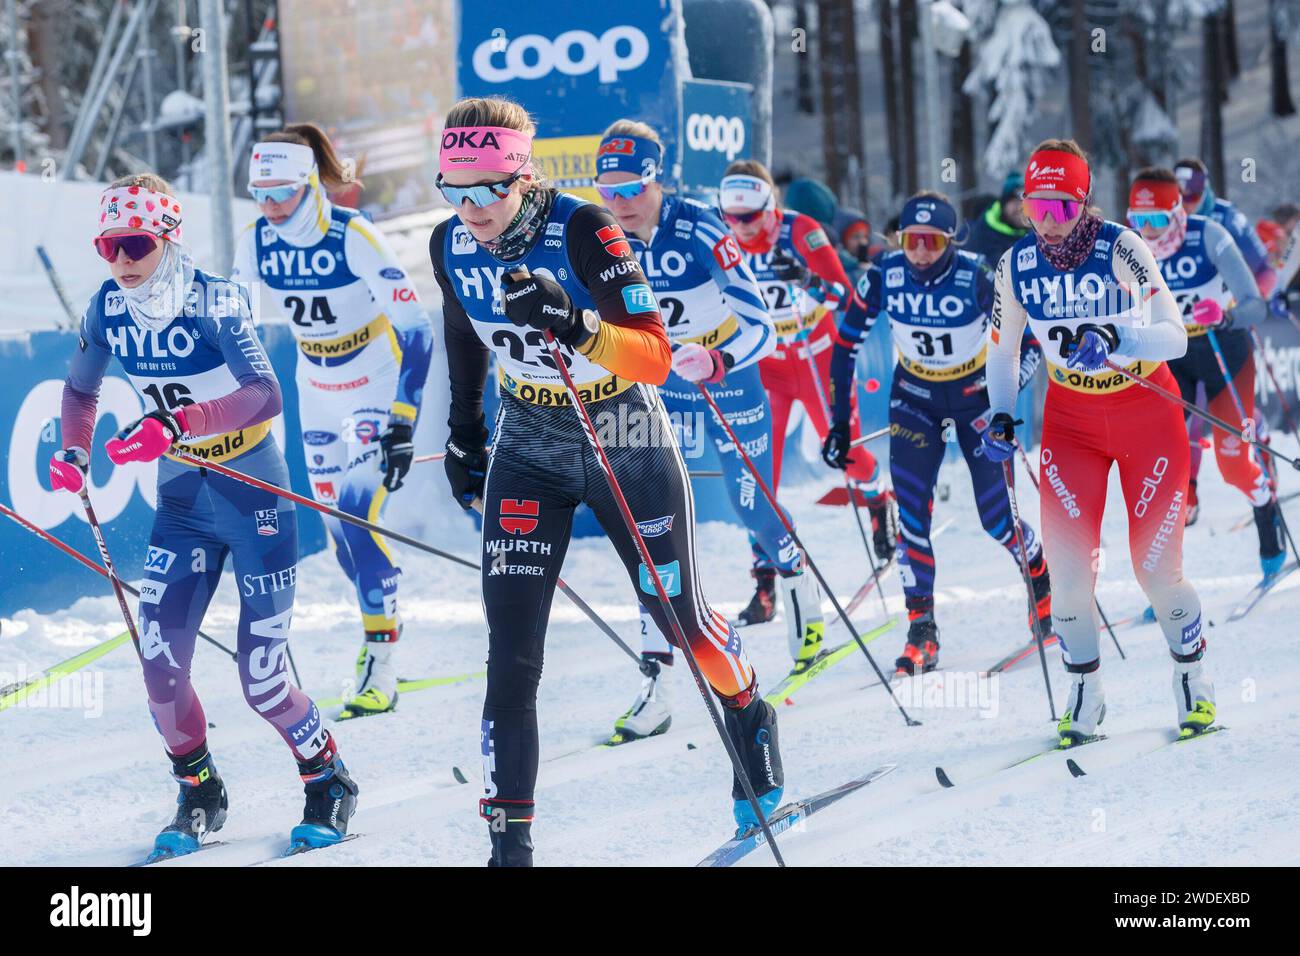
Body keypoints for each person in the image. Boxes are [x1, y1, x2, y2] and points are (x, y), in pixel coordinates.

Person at [428, 96, 784, 865]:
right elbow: (461, 329)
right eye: (453, 188)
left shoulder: (585, 227)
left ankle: (749, 710)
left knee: (682, 625)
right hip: (528, 437)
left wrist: (573, 321)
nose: (470, 207)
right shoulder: (449, 243)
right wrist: (461, 433)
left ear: (522, 176)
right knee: (511, 651)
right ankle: (509, 843)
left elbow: (654, 357)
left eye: (487, 188)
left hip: (622, 427)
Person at [50, 173, 358, 858]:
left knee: (264, 678)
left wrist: (175, 422)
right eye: (108, 246)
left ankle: (328, 778)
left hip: (253, 493)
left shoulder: (212, 300)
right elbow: (80, 389)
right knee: (159, 667)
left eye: (135, 243)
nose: (122, 260)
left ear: (167, 237)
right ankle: (199, 792)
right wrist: (73, 453)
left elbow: (265, 393)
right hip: (185, 503)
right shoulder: (107, 306)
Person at [592, 121, 824, 739]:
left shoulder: (698, 226)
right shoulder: (599, 234)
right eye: (607, 189)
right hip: (648, 382)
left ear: (655, 177)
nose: (620, 203)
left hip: (724, 372)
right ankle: (657, 681)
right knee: (644, 521)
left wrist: (716, 360)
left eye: (632, 187)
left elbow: (761, 326)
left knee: (752, 507)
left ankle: (799, 587)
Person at [981, 140, 1214, 745]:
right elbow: (1003, 353)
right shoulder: (1015, 266)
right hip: (1070, 423)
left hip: (1147, 413)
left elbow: (1176, 336)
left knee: (1155, 570)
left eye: (1061, 208)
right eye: (1036, 209)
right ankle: (1085, 693)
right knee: (1067, 576)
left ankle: (1192, 678)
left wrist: (1120, 336)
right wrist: (1002, 417)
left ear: (1084, 203)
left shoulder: (1120, 247)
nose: (1048, 223)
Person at [232, 123, 434, 719]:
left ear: (309, 184)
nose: (270, 206)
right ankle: (384, 608)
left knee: (353, 512)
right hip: (314, 387)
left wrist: (402, 415)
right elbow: (233, 327)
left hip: (371, 380)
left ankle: (380, 659)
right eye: (259, 194)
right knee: (340, 539)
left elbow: (417, 329)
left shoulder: (354, 235)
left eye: (281, 193)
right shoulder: (256, 241)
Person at [824, 191, 1052, 676]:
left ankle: (1042, 585)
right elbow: (845, 346)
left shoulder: (976, 276)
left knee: (996, 520)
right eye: (911, 240)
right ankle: (921, 630)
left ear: (950, 240)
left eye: (931, 241)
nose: (920, 251)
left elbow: (1028, 346)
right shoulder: (884, 274)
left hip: (975, 399)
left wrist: (1004, 406)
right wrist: (840, 422)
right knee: (912, 519)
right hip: (916, 399)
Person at [718, 160, 895, 627]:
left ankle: (878, 500)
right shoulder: (720, 236)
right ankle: (765, 583)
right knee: (758, 479)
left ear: (770, 205)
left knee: (846, 452)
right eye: (732, 219)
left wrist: (807, 280)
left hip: (816, 355)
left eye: (750, 218)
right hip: (768, 368)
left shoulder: (803, 232)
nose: (741, 228)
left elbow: (846, 299)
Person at [1127, 168, 1284, 578]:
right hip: (1173, 362)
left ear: (1178, 213)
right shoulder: (1130, 249)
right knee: (1160, 469)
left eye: (1157, 220)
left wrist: (1226, 315)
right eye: (1138, 221)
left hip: (1226, 357)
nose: (1149, 233)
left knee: (1233, 466)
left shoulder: (1210, 235)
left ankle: (1267, 510)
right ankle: (1166, 579)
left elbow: (1255, 304)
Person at [965, 171, 1030, 270]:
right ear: (1003, 205)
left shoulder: (1036, 229)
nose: (1021, 208)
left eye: (1025, 202)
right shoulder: (983, 234)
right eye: (1015, 202)